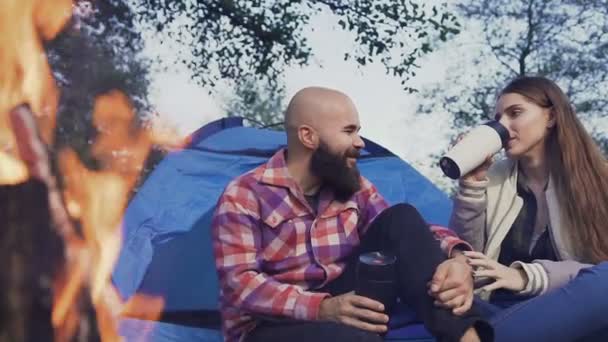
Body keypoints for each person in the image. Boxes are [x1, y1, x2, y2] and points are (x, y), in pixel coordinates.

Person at [212, 87, 493, 342]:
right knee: (355, 338)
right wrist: (322, 308)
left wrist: (458, 259)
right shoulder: (244, 194)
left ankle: (466, 338)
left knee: (402, 216)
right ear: (308, 136)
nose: (360, 142)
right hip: (269, 327)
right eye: (349, 131)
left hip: (343, 299)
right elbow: (240, 284)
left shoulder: (356, 188)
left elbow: (409, 233)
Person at [450, 76, 608, 341]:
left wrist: (526, 277)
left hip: (567, 309)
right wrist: (471, 186)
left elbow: (596, 271)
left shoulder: (598, 180)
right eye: (498, 118)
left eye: (515, 113)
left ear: (552, 117)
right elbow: (467, 258)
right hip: (496, 307)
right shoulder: (492, 179)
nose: (503, 127)